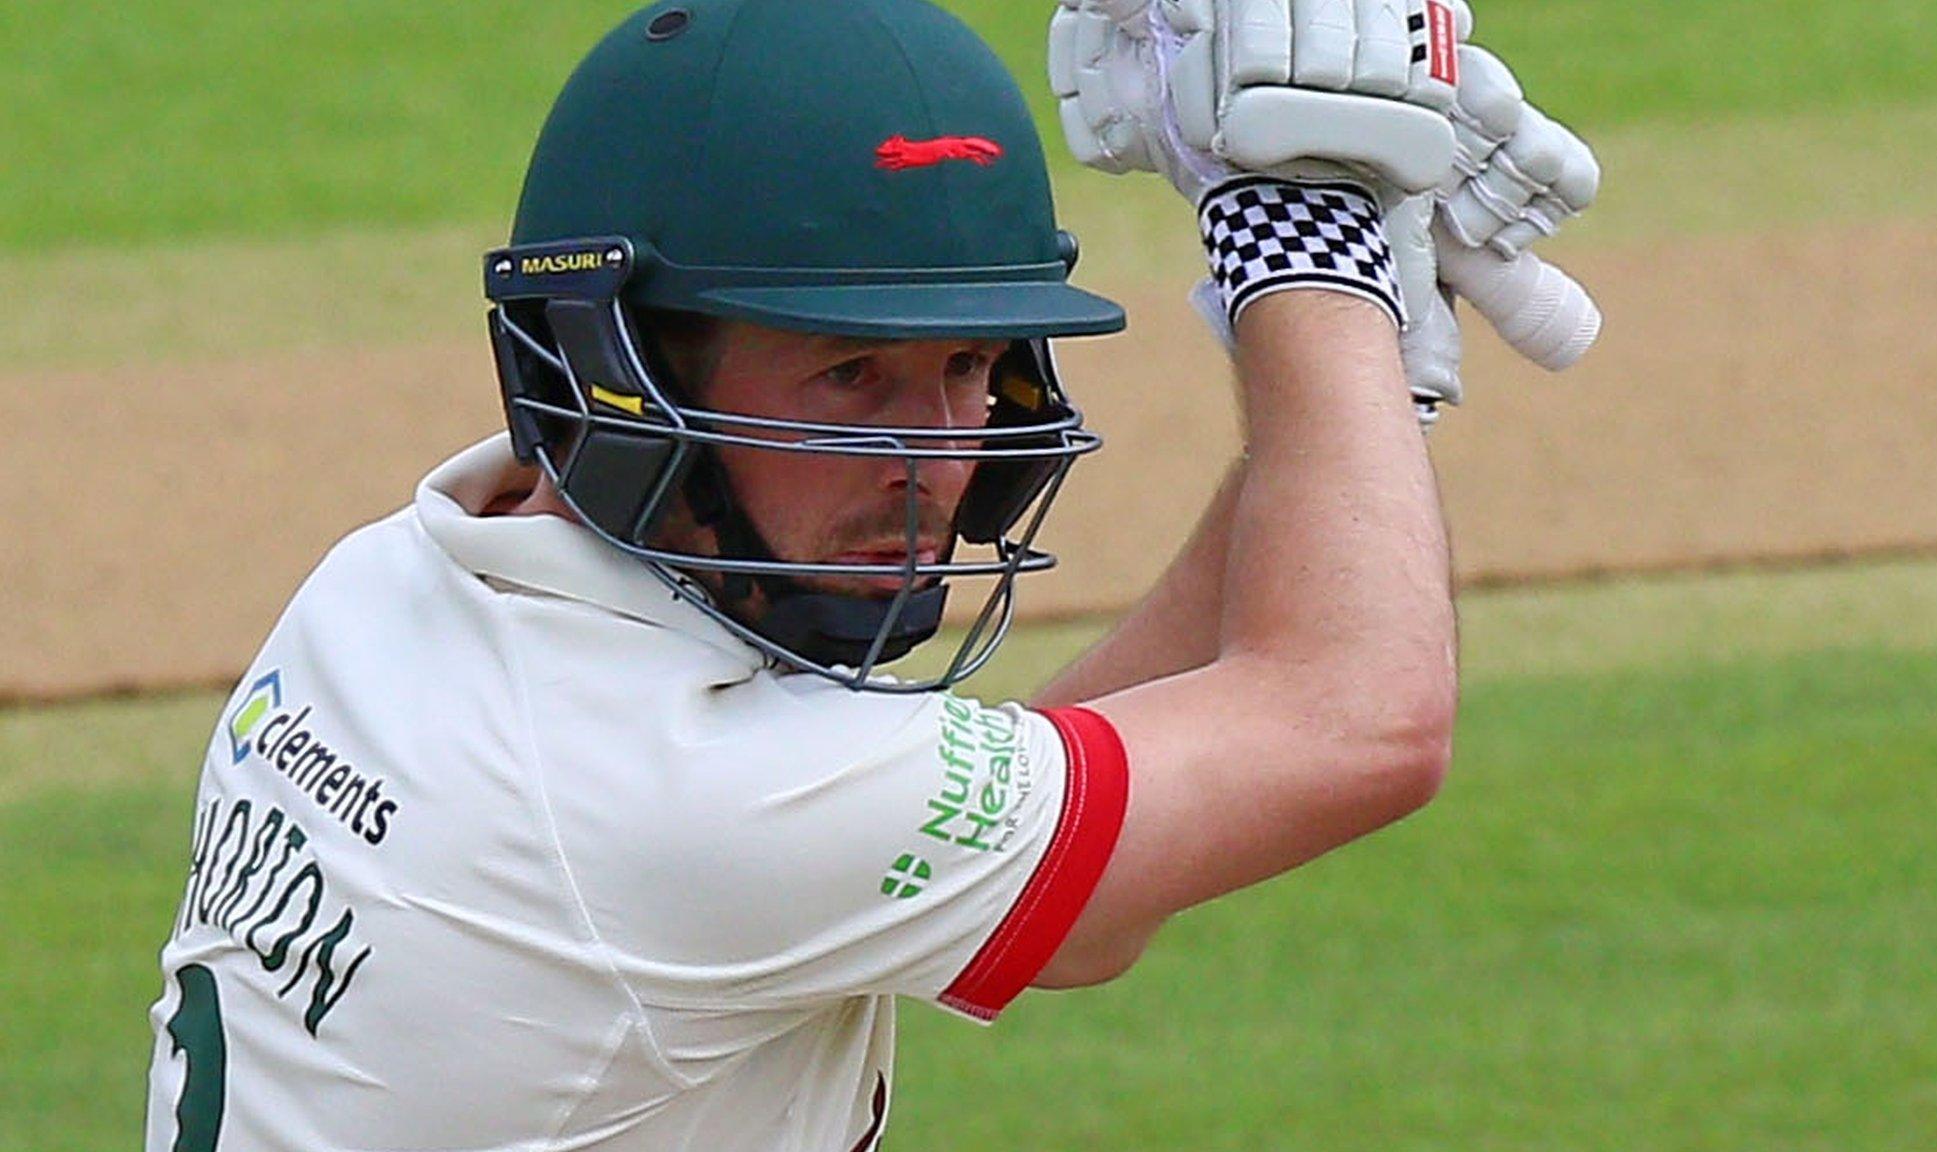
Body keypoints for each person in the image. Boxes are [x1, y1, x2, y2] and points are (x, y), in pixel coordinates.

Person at [145, 0, 1596, 1147]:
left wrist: (1358, 351)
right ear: (616, 367)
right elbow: (1359, 720)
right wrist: (1301, 240)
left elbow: (1083, 886)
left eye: (966, 367)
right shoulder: (675, 800)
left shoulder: (392, 588)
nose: (933, 459)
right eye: (850, 374)